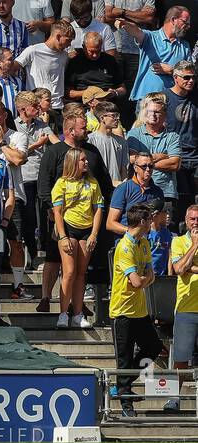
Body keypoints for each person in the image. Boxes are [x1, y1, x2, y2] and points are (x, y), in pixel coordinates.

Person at [109, 203, 161, 417]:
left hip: (139, 310)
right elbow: (138, 281)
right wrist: (144, 280)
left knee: (153, 347)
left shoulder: (143, 243)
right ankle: (126, 403)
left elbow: (149, 276)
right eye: (149, 219)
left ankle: (124, 383)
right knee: (124, 357)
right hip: (122, 311)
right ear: (142, 222)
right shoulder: (124, 248)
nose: (151, 223)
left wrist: (143, 279)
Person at [50, 147, 105, 329]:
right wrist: (63, 236)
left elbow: (98, 209)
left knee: (82, 273)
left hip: (87, 229)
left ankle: (78, 313)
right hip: (68, 228)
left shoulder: (93, 182)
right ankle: (63, 313)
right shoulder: (62, 183)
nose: (86, 162)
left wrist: (94, 234)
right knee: (70, 271)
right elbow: (57, 212)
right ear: (73, 162)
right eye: (82, 160)